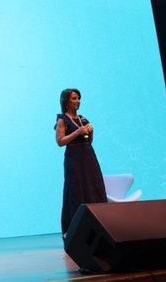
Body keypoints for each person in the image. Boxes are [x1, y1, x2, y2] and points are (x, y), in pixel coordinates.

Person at [55, 88, 107, 240]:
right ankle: (73, 230)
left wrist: (91, 131)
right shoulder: (62, 119)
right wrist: (77, 132)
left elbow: (89, 141)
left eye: (78, 98)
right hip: (74, 158)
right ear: (66, 102)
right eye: (74, 98)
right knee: (76, 189)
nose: (77, 101)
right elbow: (60, 141)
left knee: (93, 187)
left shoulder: (83, 119)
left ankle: (98, 227)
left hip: (88, 157)